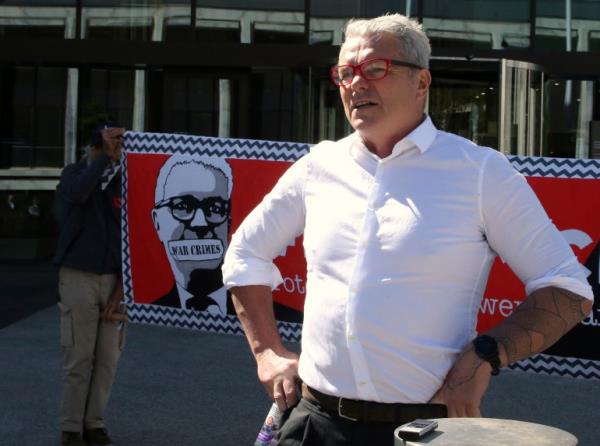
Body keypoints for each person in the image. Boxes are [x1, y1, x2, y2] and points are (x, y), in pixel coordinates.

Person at [221, 13, 594, 446]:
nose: (355, 84)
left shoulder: (479, 173)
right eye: (345, 73)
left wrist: (485, 356)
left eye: (375, 69)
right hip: (314, 422)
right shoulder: (317, 167)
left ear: (422, 83)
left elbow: (569, 289)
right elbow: (245, 253)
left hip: (424, 431)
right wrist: (268, 352)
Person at [54, 121, 126, 446]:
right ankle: (71, 428)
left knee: (108, 359)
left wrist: (124, 286)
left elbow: (132, 234)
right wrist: (101, 160)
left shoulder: (124, 182)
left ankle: (94, 423)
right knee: (78, 357)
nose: (115, 151)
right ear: (93, 147)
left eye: (119, 144)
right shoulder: (73, 174)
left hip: (113, 280)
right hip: (78, 276)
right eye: (108, 144)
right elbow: (79, 193)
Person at [151, 156, 235, 315]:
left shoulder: (272, 318)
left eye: (215, 209)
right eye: (182, 206)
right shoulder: (148, 313)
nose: (200, 223)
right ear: (158, 222)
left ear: (228, 222)